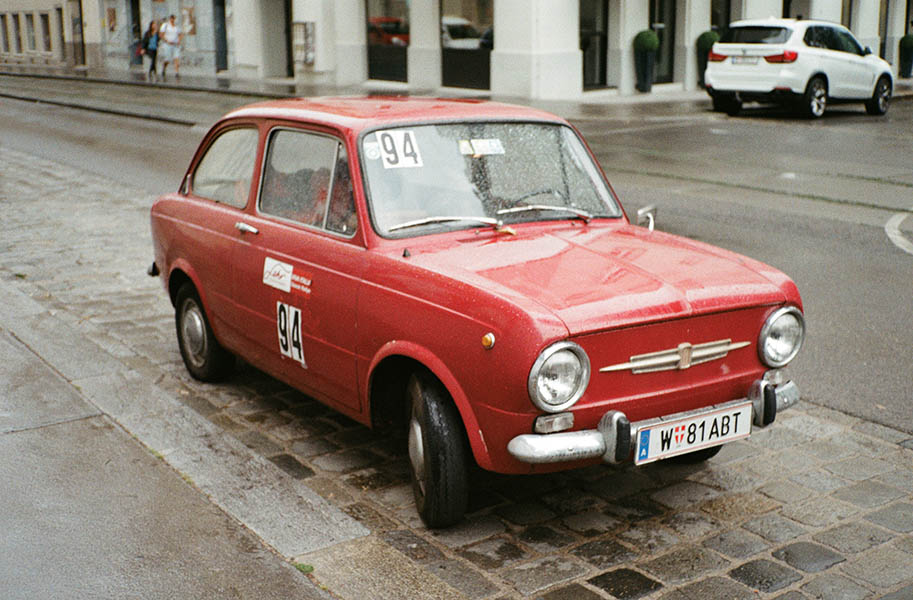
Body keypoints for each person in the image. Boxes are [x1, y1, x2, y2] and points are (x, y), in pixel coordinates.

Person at [159, 14, 183, 80]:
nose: (173, 20)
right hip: (168, 45)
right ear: (170, 19)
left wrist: (179, 40)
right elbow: (161, 34)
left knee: (176, 58)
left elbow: (180, 34)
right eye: (172, 18)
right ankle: (164, 67)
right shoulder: (165, 25)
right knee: (168, 59)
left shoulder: (177, 27)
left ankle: (176, 73)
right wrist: (166, 40)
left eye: (174, 18)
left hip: (175, 45)